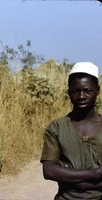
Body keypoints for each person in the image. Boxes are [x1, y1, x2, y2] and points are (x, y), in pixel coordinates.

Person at [41, 62, 102, 199]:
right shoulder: (57, 127)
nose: (81, 96)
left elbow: (58, 172)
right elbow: (49, 170)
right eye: (75, 91)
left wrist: (79, 182)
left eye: (87, 90)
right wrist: (95, 174)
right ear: (69, 91)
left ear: (97, 90)